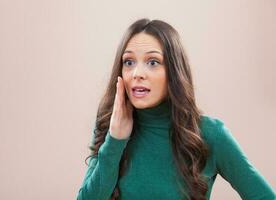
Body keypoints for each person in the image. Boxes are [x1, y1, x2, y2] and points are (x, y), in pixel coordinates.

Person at [76, 18, 276, 200]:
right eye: (129, 62)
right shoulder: (110, 127)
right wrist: (116, 140)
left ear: (174, 71)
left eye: (153, 62)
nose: (137, 73)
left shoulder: (210, 134)